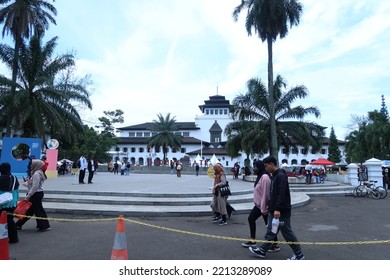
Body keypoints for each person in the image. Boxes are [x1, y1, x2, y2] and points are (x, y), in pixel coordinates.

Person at [249, 156, 304, 260]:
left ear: (271, 164)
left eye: (266, 166)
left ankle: (299, 254)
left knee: (287, 232)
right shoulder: (274, 175)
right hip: (274, 210)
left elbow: (282, 194)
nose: (265, 169)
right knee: (271, 231)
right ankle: (263, 250)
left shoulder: (280, 176)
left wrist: (278, 209)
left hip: (281, 211)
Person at [242, 160, 280, 252]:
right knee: (251, 219)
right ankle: (253, 240)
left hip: (264, 206)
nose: (254, 168)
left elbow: (266, 194)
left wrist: (264, 208)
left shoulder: (265, 177)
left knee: (269, 226)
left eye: (256, 167)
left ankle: (275, 244)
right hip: (259, 205)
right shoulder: (260, 175)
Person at [15, 160, 51, 232]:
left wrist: (28, 196)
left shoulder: (36, 174)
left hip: (35, 194)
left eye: (32, 164)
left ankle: (44, 226)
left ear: (37, 165)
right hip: (37, 193)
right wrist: (27, 183)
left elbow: (35, 186)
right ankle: (42, 225)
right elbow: (33, 185)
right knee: (32, 210)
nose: (31, 166)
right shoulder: (37, 173)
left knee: (36, 210)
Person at [0, 162, 20, 243]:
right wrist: (15, 202)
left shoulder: (0, 178)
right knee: (10, 220)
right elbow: (17, 191)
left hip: (1, 204)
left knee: (1, 220)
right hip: (11, 203)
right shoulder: (14, 178)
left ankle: (2, 237)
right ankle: (14, 238)